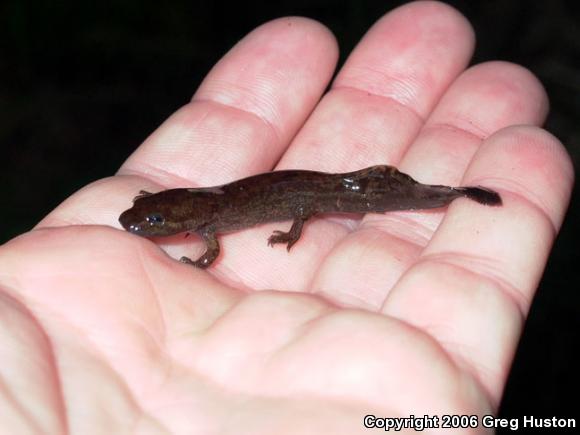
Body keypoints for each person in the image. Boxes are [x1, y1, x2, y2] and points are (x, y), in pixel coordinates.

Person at [0, 2, 572, 433]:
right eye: (145, 218)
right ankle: (450, 192)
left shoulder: (208, 226)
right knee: (340, 192)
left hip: (312, 195)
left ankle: (457, 193)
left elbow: (215, 251)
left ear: (178, 220)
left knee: (337, 196)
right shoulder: (204, 208)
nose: (140, 224)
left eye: (148, 221)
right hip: (310, 190)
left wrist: (274, 237)